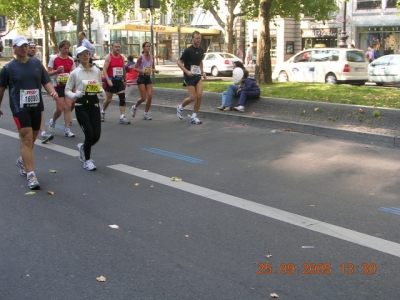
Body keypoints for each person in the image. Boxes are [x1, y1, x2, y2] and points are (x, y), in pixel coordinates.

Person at [0, 36, 59, 190]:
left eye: (26, 46)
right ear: (14, 49)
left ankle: (22, 160)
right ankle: (31, 175)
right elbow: (1, 89)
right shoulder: (8, 68)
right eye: (20, 46)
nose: (24, 48)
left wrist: (53, 93)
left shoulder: (37, 64)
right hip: (19, 107)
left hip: (36, 106)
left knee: (32, 139)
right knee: (26, 138)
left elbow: (45, 81)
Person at [65, 46, 105, 171]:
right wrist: (75, 95)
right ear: (78, 57)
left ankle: (83, 147)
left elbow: (99, 85)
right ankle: (87, 160)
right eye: (82, 54)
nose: (86, 56)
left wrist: (102, 91)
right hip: (81, 105)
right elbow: (67, 90)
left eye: (87, 53)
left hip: (94, 104)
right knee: (89, 132)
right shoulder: (75, 73)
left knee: (96, 135)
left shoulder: (96, 71)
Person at [176, 31, 207, 125]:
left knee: (200, 95)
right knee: (192, 97)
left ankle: (194, 117)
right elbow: (179, 62)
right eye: (196, 38)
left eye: (199, 38)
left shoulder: (201, 50)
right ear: (193, 39)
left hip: (197, 76)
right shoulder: (188, 50)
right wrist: (187, 71)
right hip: (189, 76)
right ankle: (180, 107)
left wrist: (203, 72)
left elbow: (200, 62)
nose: (198, 40)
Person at [47, 40, 76, 138]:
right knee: (59, 108)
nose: (66, 50)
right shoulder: (54, 58)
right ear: (60, 48)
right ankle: (53, 121)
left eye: (68, 48)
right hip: (58, 86)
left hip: (68, 86)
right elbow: (48, 73)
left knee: (68, 107)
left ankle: (67, 129)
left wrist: (74, 87)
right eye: (64, 48)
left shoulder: (71, 60)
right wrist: (57, 71)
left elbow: (74, 73)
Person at [27, 41, 53, 144]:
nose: (32, 49)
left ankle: (43, 134)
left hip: (35, 93)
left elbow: (45, 78)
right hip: (22, 95)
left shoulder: (37, 63)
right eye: (30, 47)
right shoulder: (19, 62)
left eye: (34, 48)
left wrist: (52, 92)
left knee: (39, 112)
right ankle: (26, 132)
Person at [101, 41, 130, 124]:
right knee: (108, 100)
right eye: (116, 47)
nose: (118, 48)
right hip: (111, 81)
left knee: (122, 98)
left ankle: (122, 117)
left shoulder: (121, 57)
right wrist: (108, 80)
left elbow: (123, 69)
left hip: (119, 81)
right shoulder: (109, 57)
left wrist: (125, 80)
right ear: (112, 48)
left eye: (119, 47)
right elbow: (104, 69)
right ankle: (102, 111)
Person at [130, 42, 159, 120]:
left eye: (149, 46)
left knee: (150, 96)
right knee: (143, 98)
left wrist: (155, 71)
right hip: (141, 78)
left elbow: (152, 67)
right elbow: (135, 68)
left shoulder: (152, 57)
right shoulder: (141, 57)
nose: (148, 48)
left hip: (148, 78)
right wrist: (143, 71)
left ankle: (145, 113)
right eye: (146, 46)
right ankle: (134, 106)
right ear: (143, 48)